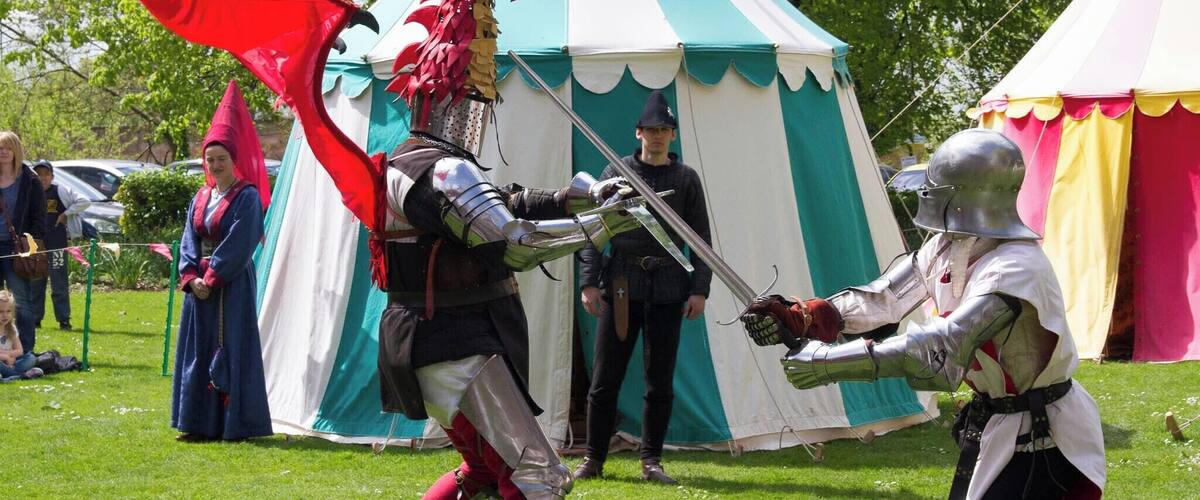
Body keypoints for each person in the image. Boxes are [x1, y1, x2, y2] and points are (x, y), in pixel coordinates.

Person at [740, 129, 1105, 499]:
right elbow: (885, 299)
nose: (928, 193)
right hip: (1001, 425)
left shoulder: (1017, 267)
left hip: (1045, 437)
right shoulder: (949, 247)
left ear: (966, 193)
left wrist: (826, 363)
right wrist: (805, 317)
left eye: (938, 185)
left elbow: (943, 346)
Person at [375, 1, 646, 498]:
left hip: (430, 342)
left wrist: (583, 194)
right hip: (455, 346)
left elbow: (502, 205)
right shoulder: (443, 169)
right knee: (540, 477)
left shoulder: (408, 163)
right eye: (477, 102)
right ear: (455, 103)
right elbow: (515, 242)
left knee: (482, 472)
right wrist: (601, 226)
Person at [572, 90, 712, 485]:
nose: (657, 136)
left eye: (663, 130)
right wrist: (588, 282)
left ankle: (651, 461)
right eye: (651, 129)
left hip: (668, 287)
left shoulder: (686, 179)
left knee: (660, 381)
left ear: (673, 135)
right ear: (638, 133)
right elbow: (594, 230)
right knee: (605, 378)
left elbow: (701, 239)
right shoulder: (615, 174)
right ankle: (593, 459)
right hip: (620, 285)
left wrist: (699, 288)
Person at [171, 84, 272, 442]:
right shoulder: (201, 196)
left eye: (221, 159)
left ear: (234, 160)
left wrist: (211, 278)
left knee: (231, 345)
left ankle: (233, 424)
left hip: (231, 286)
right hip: (198, 288)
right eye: (210, 159)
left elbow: (240, 243)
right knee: (198, 349)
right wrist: (190, 277)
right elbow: (189, 238)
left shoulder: (246, 197)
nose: (215, 165)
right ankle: (197, 423)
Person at [0, 131, 45, 354]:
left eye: (8, 147)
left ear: (16, 150)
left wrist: (29, 242)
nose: (4, 152)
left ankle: (25, 351)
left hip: (16, 249)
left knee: (22, 302)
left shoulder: (30, 180)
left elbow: (39, 216)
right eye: (0, 148)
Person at [31, 160, 90, 331]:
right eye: (38, 174)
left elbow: (84, 201)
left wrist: (66, 213)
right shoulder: (29, 193)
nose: (42, 178)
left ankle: (63, 320)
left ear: (52, 176)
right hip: (36, 246)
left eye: (46, 174)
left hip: (57, 245)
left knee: (59, 284)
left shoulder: (60, 191)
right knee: (36, 284)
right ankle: (35, 320)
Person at [0, 290, 40, 381]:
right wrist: (5, 357)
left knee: (31, 358)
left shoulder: (12, 329)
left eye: (8, 311)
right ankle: (21, 376)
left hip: (11, 363)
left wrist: (9, 357)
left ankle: (9, 376)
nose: (5, 315)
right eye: (0, 312)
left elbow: (19, 351)